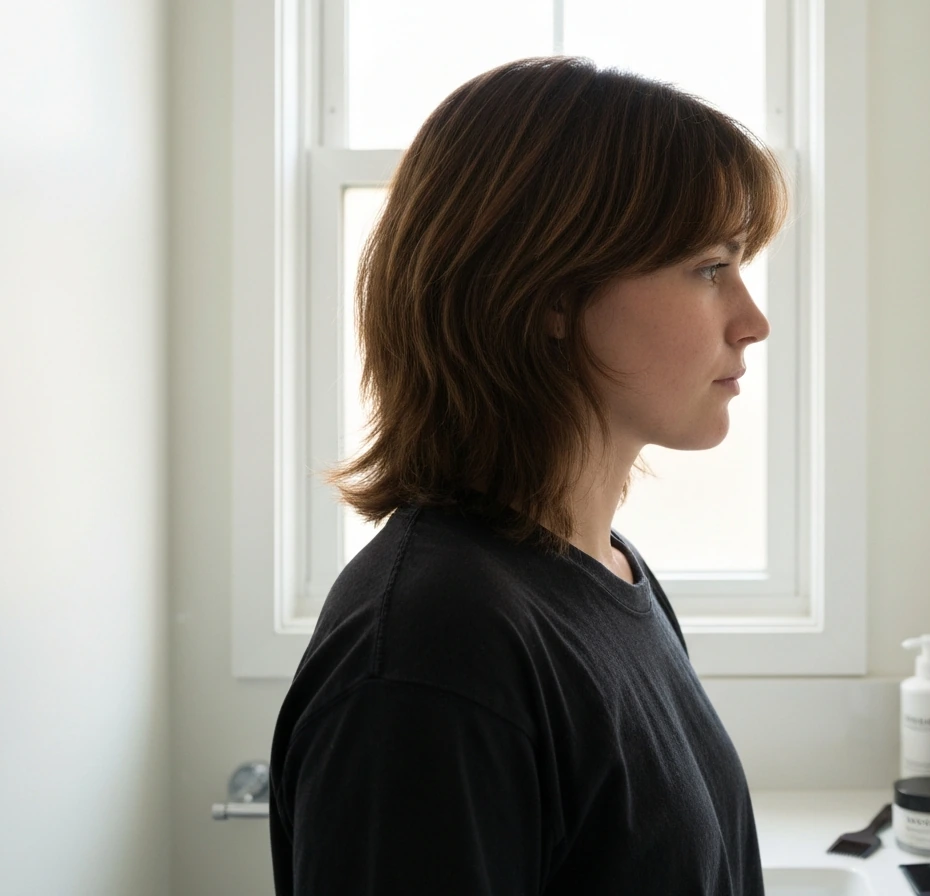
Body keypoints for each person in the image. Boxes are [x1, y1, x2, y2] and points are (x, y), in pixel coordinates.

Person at [268, 55, 787, 895]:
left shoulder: (607, 573)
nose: (752, 321)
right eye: (709, 267)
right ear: (548, 293)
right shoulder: (433, 655)